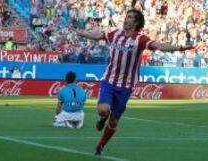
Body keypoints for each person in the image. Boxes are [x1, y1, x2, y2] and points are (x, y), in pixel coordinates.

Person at [73, 9, 195, 155]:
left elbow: (159, 46)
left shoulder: (140, 39)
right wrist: (82, 33)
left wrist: (179, 48)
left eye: (130, 17)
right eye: (126, 16)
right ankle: (102, 117)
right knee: (103, 110)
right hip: (109, 81)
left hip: (126, 86)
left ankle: (100, 146)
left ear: (136, 22)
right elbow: (98, 36)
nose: (126, 19)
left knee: (114, 122)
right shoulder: (115, 34)